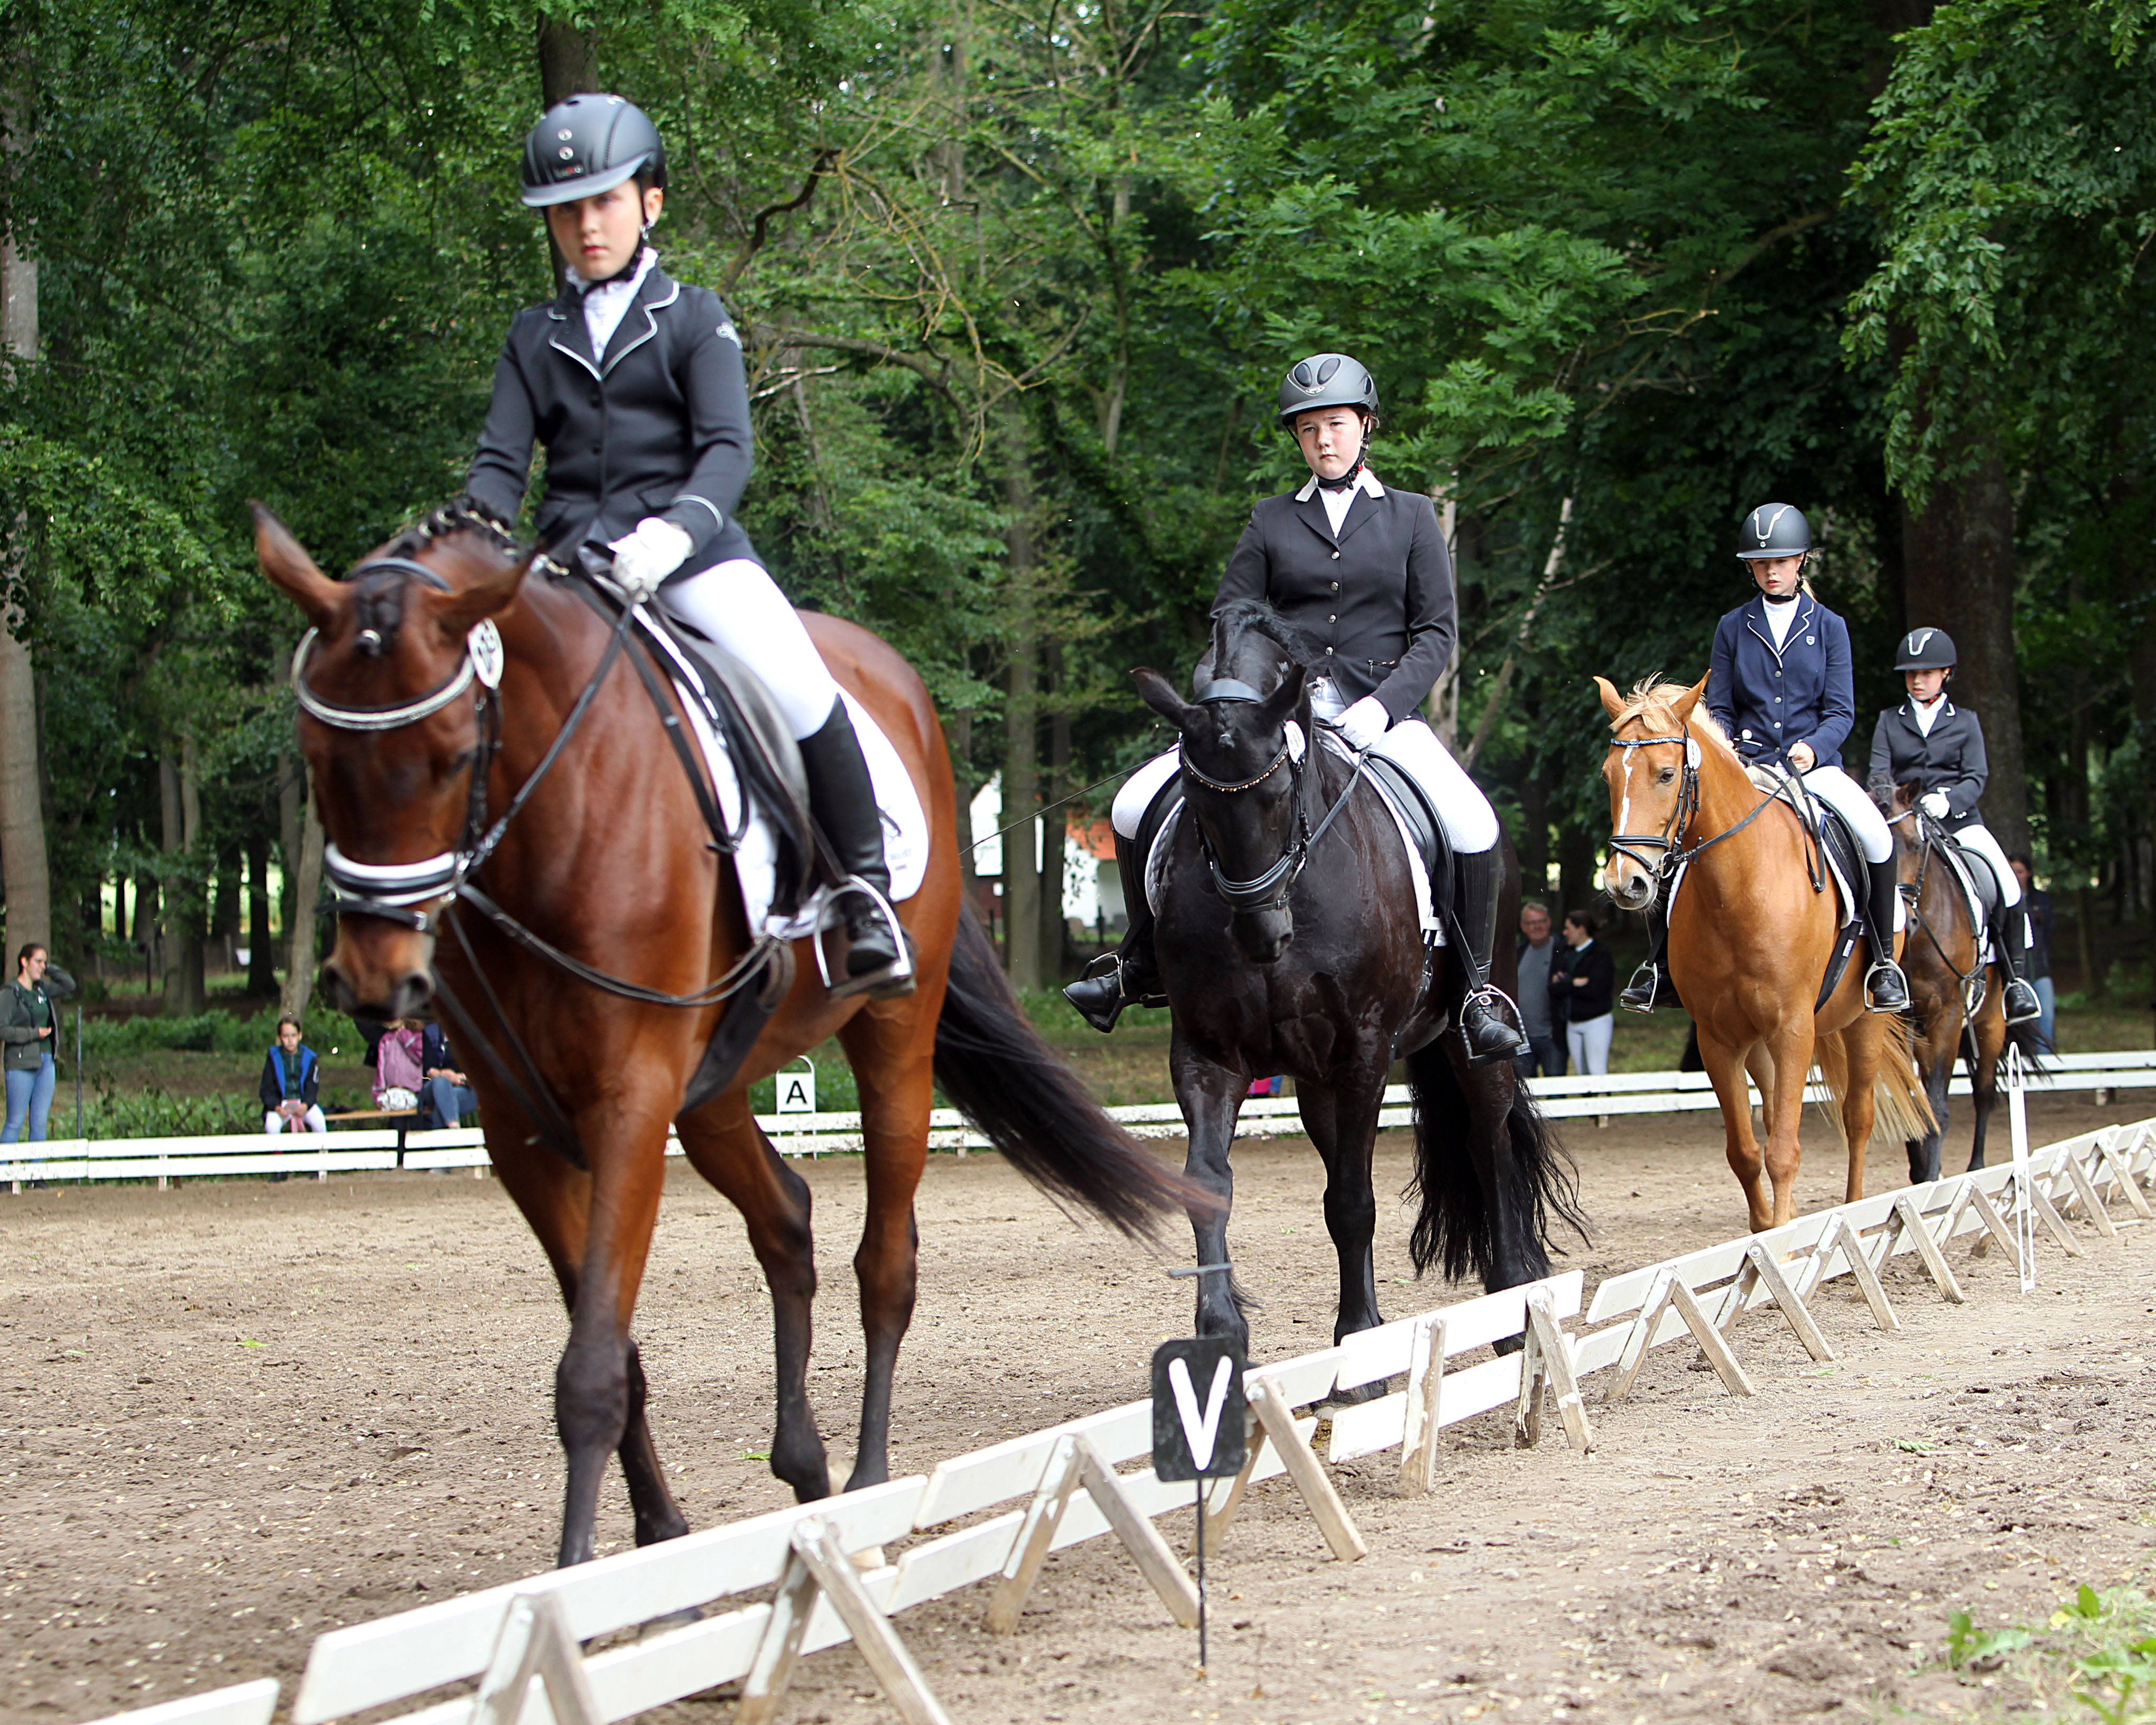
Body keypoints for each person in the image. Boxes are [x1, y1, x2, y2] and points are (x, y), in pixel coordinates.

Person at [464, 94, 906, 996]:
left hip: (690, 558)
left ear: (650, 202)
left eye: (606, 201)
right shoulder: (532, 336)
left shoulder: (694, 317)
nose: (587, 224)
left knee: (795, 675)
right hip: (567, 572)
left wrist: (673, 534)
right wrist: (470, 538)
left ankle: (864, 891)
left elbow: (726, 450)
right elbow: (500, 467)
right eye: (567, 210)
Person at [1065, 352, 1527, 1064]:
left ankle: (1474, 994)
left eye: (1336, 426)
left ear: (1365, 427)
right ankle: (1136, 961)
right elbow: (1232, 616)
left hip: (1383, 714)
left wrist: (1384, 707)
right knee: (1132, 804)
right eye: (1309, 431)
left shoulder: (1410, 517)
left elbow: (1437, 633)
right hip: (1279, 714)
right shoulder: (1272, 520)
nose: (1324, 441)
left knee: (1472, 822)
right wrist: (1247, 700)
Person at [1624, 502, 1909, 1014]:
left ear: (1801, 561)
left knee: (1876, 835)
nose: (1771, 570)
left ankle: (1884, 963)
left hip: (1814, 768)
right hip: (1750, 765)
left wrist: (1814, 747)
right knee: (1680, 837)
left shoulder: (1830, 627)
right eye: (1761, 563)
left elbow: (1841, 711)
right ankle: (1660, 966)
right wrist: (1730, 747)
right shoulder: (1734, 626)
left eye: (1780, 561)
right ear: (1751, 568)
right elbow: (1722, 707)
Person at [1860, 626, 2041, 1027]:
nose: (1917, 680)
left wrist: (1948, 800)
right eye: (1910, 674)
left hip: (1958, 822)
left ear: (1945, 674)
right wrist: (1898, 801)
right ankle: (1880, 967)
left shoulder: (1966, 722)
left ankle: (2015, 983)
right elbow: (1878, 776)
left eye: (1925, 673)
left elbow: (1976, 776)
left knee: (2007, 885)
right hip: (1903, 823)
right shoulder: (1890, 721)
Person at [2, 944, 76, 1144]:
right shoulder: (11, 993)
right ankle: (4, 1171)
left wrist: (49, 968)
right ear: (24, 962)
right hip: (21, 1062)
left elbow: (69, 985)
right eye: (38, 962)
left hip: (46, 1061)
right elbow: (2, 1030)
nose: (42, 967)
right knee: (15, 1121)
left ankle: (37, 1173)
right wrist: (33, 1034)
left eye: (45, 962)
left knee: (39, 1122)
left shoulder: (41, 990)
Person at [1557, 911, 1616, 1076]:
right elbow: (1554, 987)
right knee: (1581, 1072)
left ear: (1581, 929)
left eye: (1569, 928)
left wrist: (1567, 982)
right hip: (1573, 1021)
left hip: (1596, 1020)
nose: (1565, 933)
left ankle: (1602, 1100)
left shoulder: (1600, 955)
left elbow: (1595, 990)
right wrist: (1574, 983)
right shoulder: (1567, 953)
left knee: (1597, 1069)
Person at [1515, 902, 1568, 1079]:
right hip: (1523, 1039)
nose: (1537, 926)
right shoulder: (1518, 953)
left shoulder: (1563, 950)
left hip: (1552, 1037)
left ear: (1549, 922)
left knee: (1556, 1089)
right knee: (1527, 1092)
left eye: (1542, 921)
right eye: (1531, 923)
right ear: (1523, 927)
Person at [2009, 854, 2055, 1049]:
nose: (2016, 876)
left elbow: (2048, 934)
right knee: (2026, 1023)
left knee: (2047, 1018)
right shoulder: (2007, 902)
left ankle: (2046, 1059)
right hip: (2020, 973)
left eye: (2020, 871)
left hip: (2041, 969)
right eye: (2012, 872)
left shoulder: (2041, 901)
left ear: (2028, 874)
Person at [259, 1015, 327, 1135]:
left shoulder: (310, 1057)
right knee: (272, 1126)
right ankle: (278, 1152)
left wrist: (306, 1105)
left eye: (293, 1036)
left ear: (300, 1035)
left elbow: (313, 1086)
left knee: (319, 1122)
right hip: (281, 1104)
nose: (290, 1040)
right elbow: (266, 1088)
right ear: (279, 1038)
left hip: (303, 1103)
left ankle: (322, 1152)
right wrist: (277, 1108)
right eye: (286, 1036)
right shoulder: (273, 1057)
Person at [419, 1022, 479, 1128]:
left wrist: (461, 1078)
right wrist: (445, 1076)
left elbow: (480, 1074)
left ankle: (447, 1134)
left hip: (464, 1089)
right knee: (441, 1083)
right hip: (434, 1087)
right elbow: (430, 1071)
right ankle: (454, 1129)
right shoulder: (431, 1034)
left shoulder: (472, 1036)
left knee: (445, 1102)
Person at [374, 1019, 424, 1112]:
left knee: (417, 1124)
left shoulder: (417, 1035)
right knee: (397, 1124)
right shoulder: (386, 1039)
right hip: (393, 1092)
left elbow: (419, 1057)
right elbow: (381, 1067)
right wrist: (378, 1092)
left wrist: (404, 1035)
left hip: (415, 1092)